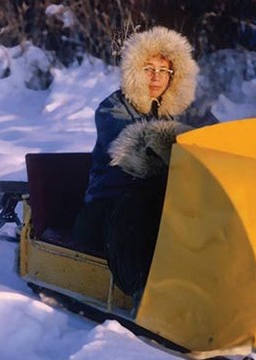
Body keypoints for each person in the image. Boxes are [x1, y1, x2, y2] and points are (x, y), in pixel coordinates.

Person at [73, 26, 199, 298]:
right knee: (142, 205)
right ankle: (141, 292)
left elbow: (210, 135)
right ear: (134, 70)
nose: (156, 77)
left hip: (159, 200)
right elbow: (131, 143)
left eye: (164, 70)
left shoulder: (180, 113)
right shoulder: (112, 108)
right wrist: (183, 140)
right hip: (108, 208)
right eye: (148, 68)